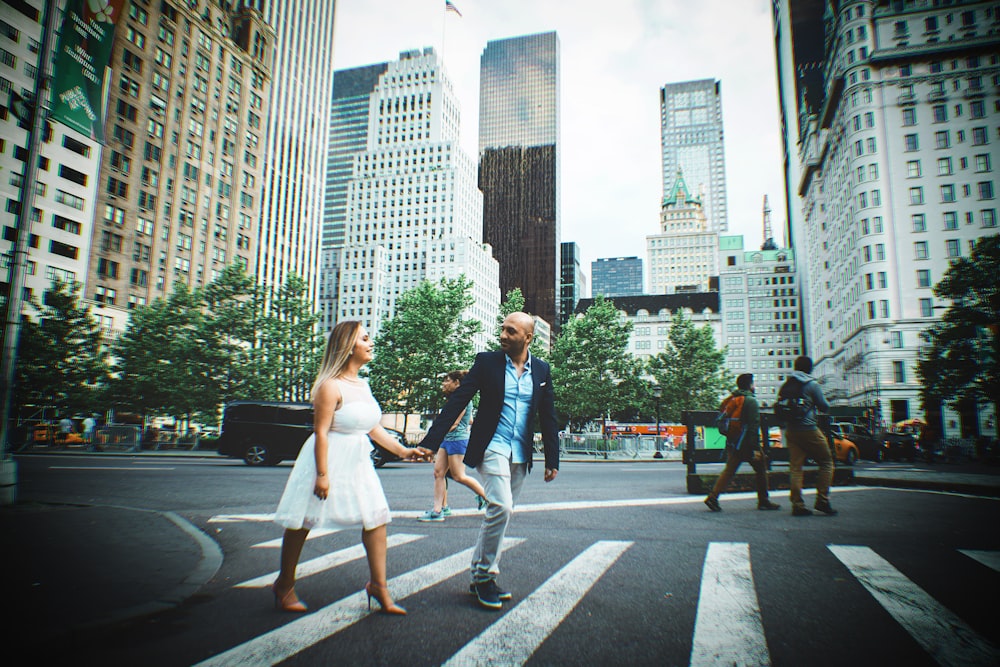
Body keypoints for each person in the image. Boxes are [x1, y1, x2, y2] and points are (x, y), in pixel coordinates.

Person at [271, 320, 431, 615]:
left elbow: (373, 428)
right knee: (302, 520)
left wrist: (405, 451)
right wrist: (322, 475)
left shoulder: (363, 384)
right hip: (328, 458)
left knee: (376, 518)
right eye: (365, 339)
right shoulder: (329, 386)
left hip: (359, 461)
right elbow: (320, 432)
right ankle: (285, 584)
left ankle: (379, 587)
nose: (371, 344)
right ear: (348, 347)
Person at [419, 312, 559, 610]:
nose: (503, 335)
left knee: (499, 513)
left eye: (511, 331)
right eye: (502, 329)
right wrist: (431, 441)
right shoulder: (487, 362)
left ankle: (479, 573)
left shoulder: (542, 371)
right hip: (492, 446)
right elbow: (458, 400)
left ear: (528, 338)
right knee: (501, 506)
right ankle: (485, 578)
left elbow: (548, 415)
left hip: (520, 453)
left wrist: (552, 457)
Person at [704, 373, 780, 512]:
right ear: (750, 385)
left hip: (734, 440)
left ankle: (713, 497)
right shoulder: (750, 401)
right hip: (746, 443)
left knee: (729, 470)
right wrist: (756, 448)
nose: (754, 386)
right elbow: (753, 426)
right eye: (753, 383)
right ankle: (763, 500)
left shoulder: (733, 398)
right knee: (761, 469)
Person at [418, 370, 487, 522]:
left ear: (457, 383)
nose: (444, 384)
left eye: (447, 380)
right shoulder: (456, 400)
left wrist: (433, 438)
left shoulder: (462, 399)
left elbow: (454, 424)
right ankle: (437, 511)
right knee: (438, 473)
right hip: (447, 440)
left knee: (458, 476)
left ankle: (489, 498)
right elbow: (469, 420)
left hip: (457, 440)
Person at [779, 355, 837, 516]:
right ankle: (822, 500)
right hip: (809, 429)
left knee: (796, 468)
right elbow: (824, 407)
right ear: (810, 368)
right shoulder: (812, 385)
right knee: (826, 461)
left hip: (791, 430)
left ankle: (797, 504)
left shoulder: (787, 384)